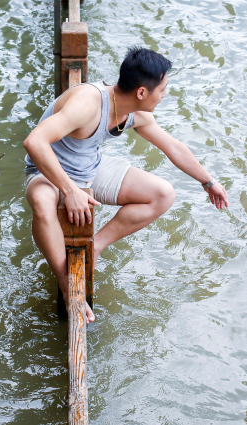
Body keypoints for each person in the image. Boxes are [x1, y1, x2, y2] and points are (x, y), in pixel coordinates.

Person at [23, 47, 229, 324]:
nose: (165, 94)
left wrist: (208, 182)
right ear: (142, 92)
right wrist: (70, 190)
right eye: (163, 88)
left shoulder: (136, 113)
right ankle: (66, 284)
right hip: (48, 171)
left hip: (90, 169)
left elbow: (174, 148)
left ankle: (95, 246)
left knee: (163, 194)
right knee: (42, 202)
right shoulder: (88, 104)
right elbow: (34, 142)